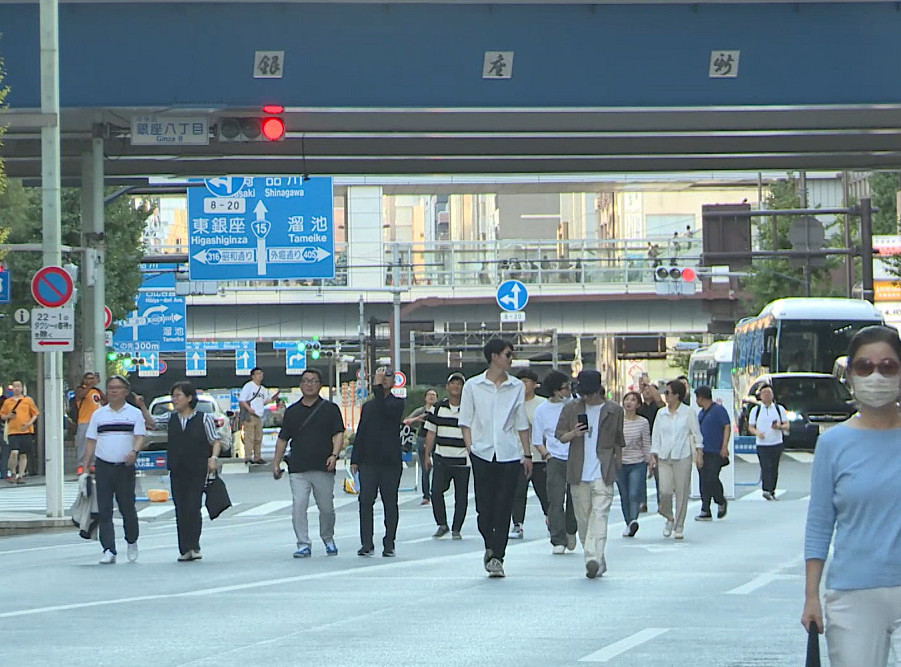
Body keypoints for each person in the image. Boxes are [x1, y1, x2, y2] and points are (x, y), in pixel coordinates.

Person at [802, 325, 901, 665]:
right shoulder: (833, 444)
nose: (876, 376)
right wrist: (811, 596)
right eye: (865, 367)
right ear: (850, 376)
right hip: (853, 593)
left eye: (888, 367)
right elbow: (819, 524)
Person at [458, 338, 532, 579]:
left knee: (504, 506)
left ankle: (497, 556)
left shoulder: (516, 387)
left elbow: (521, 423)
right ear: (494, 356)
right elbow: (466, 421)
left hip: (509, 453)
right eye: (508, 354)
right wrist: (471, 448)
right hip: (482, 453)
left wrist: (527, 454)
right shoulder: (473, 386)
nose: (511, 359)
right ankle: (489, 545)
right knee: (484, 508)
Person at [556, 370, 624, 578]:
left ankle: (592, 559)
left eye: (589, 393)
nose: (585, 397)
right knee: (583, 519)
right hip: (578, 470)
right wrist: (574, 433)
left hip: (603, 471)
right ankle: (596, 558)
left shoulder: (614, 410)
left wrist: (618, 464)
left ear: (597, 391)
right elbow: (560, 436)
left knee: (599, 515)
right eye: (582, 393)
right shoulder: (570, 409)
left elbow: (618, 440)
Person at [273, 368, 346, 558]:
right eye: (306, 381)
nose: (309, 384)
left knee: (326, 507)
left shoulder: (330, 409)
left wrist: (334, 454)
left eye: (313, 381)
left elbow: (338, 433)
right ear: (300, 385)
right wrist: (276, 463)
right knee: (299, 505)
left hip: (323, 466)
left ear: (319, 385)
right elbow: (283, 439)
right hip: (298, 467)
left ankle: (328, 538)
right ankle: (303, 543)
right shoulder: (292, 411)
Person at [81, 375, 147, 564]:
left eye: (117, 388)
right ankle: (108, 548)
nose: (113, 391)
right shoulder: (98, 415)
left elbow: (139, 436)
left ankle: (132, 540)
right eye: (110, 388)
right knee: (104, 510)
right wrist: (86, 466)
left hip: (124, 467)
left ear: (125, 392)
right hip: (103, 466)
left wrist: (134, 451)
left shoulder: (134, 413)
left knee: (127, 507)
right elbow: (91, 441)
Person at [351, 367, 405, 558]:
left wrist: (376, 387)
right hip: (368, 461)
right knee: (365, 501)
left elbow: (384, 411)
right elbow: (362, 432)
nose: (384, 380)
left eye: (388, 377)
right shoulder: (368, 407)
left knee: (390, 503)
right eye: (381, 376)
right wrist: (355, 459)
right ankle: (366, 542)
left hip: (390, 462)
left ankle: (389, 542)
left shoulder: (397, 403)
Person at [166, 381, 221, 562]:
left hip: (197, 469)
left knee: (193, 507)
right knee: (180, 509)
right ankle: (184, 548)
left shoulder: (203, 418)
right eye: (173, 396)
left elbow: (215, 440)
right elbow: (151, 423)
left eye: (178, 396)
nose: (174, 400)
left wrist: (213, 458)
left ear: (189, 398)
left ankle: (194, 545)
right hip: (177, 469)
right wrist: (142, 407)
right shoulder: (171, 418)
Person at [649, 379, 702, 540]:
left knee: (682, 491)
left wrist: (699, 452)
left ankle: (679, 525)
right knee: (664, 491)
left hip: (682, 455)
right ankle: (668, 516)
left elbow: (696, 433)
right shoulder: (661, 413)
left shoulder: (688, 412)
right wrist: (653, 454)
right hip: (664, 457)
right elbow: (656, 435)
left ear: (677, 395)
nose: (665, 396)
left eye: (668, 393)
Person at [532, 370, 578, 554]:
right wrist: (546, 455)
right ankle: (557, 539)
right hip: (555, 458)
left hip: (575, 457)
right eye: (565, 388)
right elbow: (537, 439)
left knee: (575, 498)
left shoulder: (574, 405)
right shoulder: (542, 410)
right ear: (554, 390)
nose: (568, 391)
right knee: (555, 500)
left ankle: (571, 529)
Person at [424, 372, 469, 539]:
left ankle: (457, 527)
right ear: (447, 386)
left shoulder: (469, 407)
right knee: (435, 491)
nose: (456, 386)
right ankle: (442, 524)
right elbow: (430, 432)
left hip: (462, 459)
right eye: (453, 383)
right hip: (441, 457)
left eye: (459, 384)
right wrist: (426, 455)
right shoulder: (438, 407)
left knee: (461, 496)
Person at [509, 368, 548, 540]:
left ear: (534, 384)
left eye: (526, 381)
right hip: (516, 455)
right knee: (517, 492)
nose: (523, 385)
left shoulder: (542, 404)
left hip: (539, 455)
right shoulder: (511, 403)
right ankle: (517, 524)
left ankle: (551, 520)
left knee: (544, 492)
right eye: (520, 381)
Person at [693, 386, 730, 522]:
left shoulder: (718, 410)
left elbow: (727, 426)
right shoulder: (701, 413)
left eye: (697, 397)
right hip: (703, 451)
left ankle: (720, 500)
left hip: (715, 451)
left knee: (711, 478)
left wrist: (724, 446)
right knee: (703, 480)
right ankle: (705, 509)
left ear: (701, 397)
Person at [747, 383, 789, 500]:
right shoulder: (756, 410)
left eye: (769, 393)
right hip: (762, 444)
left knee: (774, 467)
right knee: (765, 466)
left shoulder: (778, 408)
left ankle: (772, 490)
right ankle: (766, 489)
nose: (767, 395)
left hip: (776, 443)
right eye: (765, 393)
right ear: (760, 395)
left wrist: (779, 427)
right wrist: (757, 433)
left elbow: (786, 425)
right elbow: (750, 427)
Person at [617, 391, 650, 537]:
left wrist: (649, 461)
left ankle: (634, 520)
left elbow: (646, 443)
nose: (629, 402)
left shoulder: (643, 422)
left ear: (638, 404)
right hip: (619, 462)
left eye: (633, 400)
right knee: (624, 494)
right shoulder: (617, 421)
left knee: (634, 493)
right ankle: (629, 522)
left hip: (637, 462)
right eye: (627, 399)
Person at [1, 380, 40, 485]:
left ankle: (21, 475)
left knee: (23, 454)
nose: (16, 388)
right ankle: (13, 472)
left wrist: (29, 424)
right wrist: (8, 416)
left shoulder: (27, 400)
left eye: (18, 386)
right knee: (14, 452)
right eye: (14, 386)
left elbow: (35, 413)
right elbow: (2, 415)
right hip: (12, 431)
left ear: (22, 388)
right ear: (12, 388)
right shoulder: (8, 402)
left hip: (25, 430)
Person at [238, 367, 279, 465]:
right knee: (249, 437)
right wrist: (249, 409)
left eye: (261, 373)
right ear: (253, 376)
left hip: (259, 415)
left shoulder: (263, 389)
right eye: (258, 373)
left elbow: (264, 401)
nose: (260, 375)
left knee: (258, 438)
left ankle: (257, 457)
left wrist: (273, 398)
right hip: (250, 415)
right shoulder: (248, 386)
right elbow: (242, 400)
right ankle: (248, 457)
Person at [405, 388, 438, 505]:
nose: (431, 397)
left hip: (437, 440)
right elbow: (406, 421)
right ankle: (426, 495)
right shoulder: (421, 410)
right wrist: (417, 419)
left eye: (434, 395)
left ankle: (437, 493)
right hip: (422, 439)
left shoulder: (439, 410)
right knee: (425, 468)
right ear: (425, 398)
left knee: (439, 468)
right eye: (429, 395)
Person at [637, 378, 665, 512]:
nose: (647, 391)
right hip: (641, 444)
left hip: (657, 443)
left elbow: (660, 401)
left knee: (660, 474)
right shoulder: (639, 408)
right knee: (640, 474)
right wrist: (640, 389)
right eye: (645, 390)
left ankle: (662, 502)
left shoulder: (659, 408)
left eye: (650, 390)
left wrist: (649, 384)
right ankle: (642, 502)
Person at [74, 372, 106, 468]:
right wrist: (90, 385)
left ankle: (92, 464)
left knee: (96, 444)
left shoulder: (96, 391)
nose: (90, 380)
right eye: (88, 378)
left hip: (96, 422)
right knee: (83, 444)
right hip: (84, 421)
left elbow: (106, 401)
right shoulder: (81, 389)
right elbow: (81, 395)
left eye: (92, 378)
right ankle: (81, 465)